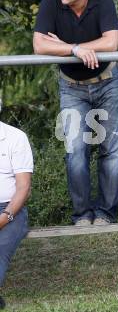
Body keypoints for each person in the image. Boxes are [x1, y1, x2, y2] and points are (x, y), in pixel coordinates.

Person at [33, 0, 118, 226]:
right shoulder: (51, 4)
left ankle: (106, 214)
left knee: (112, 149)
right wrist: (74, 49)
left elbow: (112, 42)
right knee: (75, 149)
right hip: (71, 86)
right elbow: (40, 45)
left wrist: (64, 45)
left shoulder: (103, 1)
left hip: (108, 82)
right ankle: (82, 215)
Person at [0, 102, 33, 310]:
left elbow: (23, 188)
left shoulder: (15, 137)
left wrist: (5, 216)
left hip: (11, 209)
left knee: (0, 247)